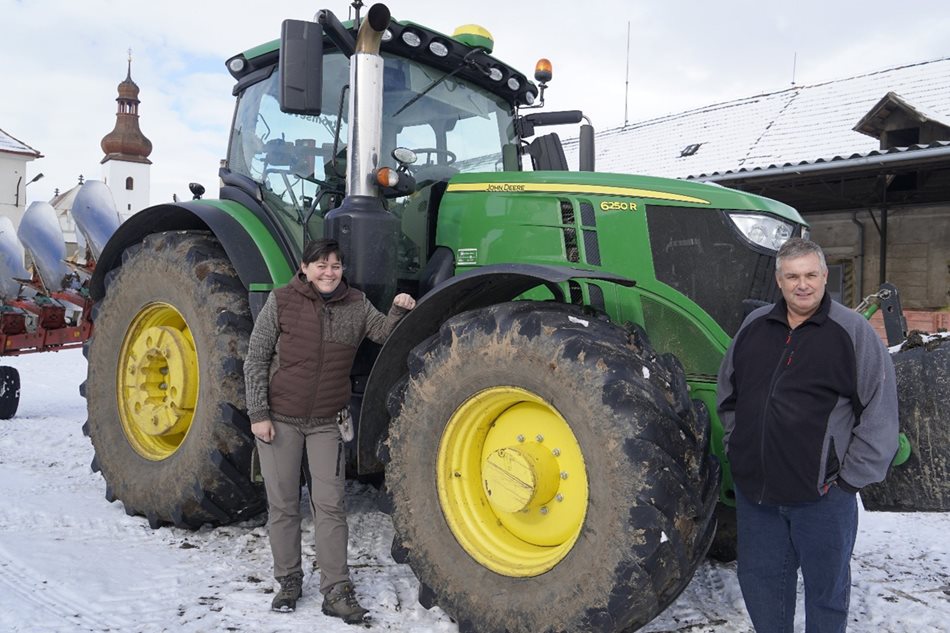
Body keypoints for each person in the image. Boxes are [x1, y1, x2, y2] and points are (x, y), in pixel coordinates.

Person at [716, 237, 898, 633]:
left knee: (826, 592)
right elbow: (729, 394)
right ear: (779, 281)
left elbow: (880, 412)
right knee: (761, 586)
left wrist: (848, 480)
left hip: (821, 498)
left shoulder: (851, 332)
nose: (803, 285)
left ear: (824, 277)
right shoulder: (755, 326)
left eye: (811, 275)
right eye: (793, 276)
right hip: (758, 497)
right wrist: (739, 449)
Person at [243, 238, 415, 624]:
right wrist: (259, 413)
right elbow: (255, 358)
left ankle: (336, 589)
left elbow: (384, 334)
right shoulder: (282, 301)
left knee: (331, 505)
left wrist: (399, 311)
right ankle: (288, 580)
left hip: (326, 422)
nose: (328, 272)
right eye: (320, 265)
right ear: (304, 268)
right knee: (284, 505)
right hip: (280, 419)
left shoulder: (355, 304)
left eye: (335, 266)